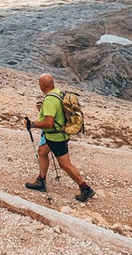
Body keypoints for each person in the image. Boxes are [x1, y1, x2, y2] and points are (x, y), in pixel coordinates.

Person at [24, 73, 94, 202]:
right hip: (57, 135)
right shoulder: (58, 93)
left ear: (41, 85)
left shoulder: (50, 100)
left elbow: (48, 123)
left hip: (56, 137)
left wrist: (32, 124)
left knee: (65, 165)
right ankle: (41, 180)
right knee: (42, 151)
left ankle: (86, 189)